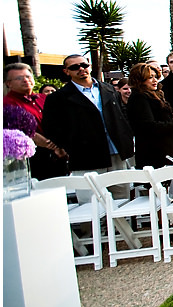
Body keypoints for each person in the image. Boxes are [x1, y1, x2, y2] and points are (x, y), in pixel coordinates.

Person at [42, 54, 135, 201]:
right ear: (66, 71)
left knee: (122, 202)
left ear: (89, 66)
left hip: (117, 153)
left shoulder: (109, 89)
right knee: (90, 206)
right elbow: (51, 127)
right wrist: (69, 146)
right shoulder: (58, 98)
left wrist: (127, 137)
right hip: (85, 158)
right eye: (74, 67)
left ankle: (120, 225)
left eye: (84, 65)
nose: (81, 69)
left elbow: (124, 117)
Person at [3, 63, 66, 179]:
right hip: (35, 157)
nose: (25, 80)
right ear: (8, 83)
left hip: (61, 154)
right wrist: (53, 147)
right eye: (19, 78)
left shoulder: (44, 98)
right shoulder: (6, 104)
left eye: (28, 77)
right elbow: (23, 132)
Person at [126, 62, 173, 169]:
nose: (155, 80)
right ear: (140, 79)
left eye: (155, 77)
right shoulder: (139, 97)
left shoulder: (155, 94)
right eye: (150, 77)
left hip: (166, 146)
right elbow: (149, 126)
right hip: (154, 151)